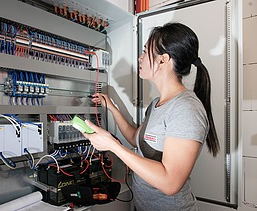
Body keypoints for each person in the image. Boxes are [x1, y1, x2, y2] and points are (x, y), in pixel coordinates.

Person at [83, 22, 220, 211]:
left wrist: (112, 146)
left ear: (163, 60)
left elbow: (170, 183)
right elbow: (135, 138)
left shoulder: (186, 109)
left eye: (145, 51)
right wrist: (112, 107)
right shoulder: (157, 104)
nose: (140, 58)